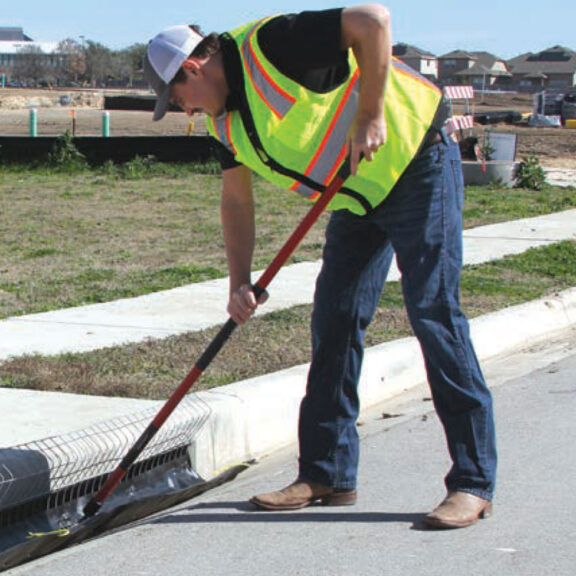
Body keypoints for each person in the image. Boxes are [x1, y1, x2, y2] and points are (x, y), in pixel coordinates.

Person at [143, 4, 497, 529]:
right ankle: (327, 473)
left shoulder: (272, 45)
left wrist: (371, 113)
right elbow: (236, 201)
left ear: (192, 69)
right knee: (333, 320)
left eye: (178, 99)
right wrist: (240, 282)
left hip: (418, 160)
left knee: (432, 313)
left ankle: (472, 482)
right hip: (356, 195)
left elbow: (372, 20)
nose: (186, 110)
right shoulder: (225, 123)